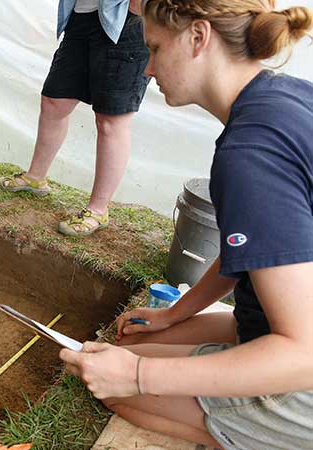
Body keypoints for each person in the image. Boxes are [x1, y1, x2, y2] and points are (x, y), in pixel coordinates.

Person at [59, 0, 313, 448]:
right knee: (119, 355)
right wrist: (175, 314)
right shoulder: (285, 95)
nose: (147, 70)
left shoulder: (250, 156)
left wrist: (139, 376)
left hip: (302, 363)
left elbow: (304, 353)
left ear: (198, 37)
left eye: (155, 48)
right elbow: (259, 250)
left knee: (124, 390)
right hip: (279, 321)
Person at [0, 0, 150, 237]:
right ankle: (36, 178)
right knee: (54, 101)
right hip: (83, 14)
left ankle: (98, 209)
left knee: (111, 121)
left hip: (126, 22)